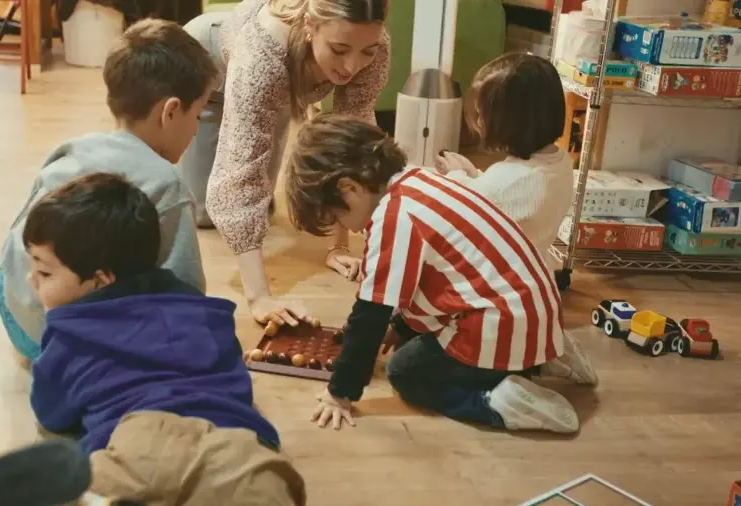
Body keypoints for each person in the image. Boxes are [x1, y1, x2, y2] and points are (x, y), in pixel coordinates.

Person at [283, 114, 598, 433]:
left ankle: (500, 402)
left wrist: (340, 393)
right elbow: (438, 281)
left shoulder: (394, 217)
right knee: (422, 341)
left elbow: (369, 316)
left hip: (502, 324)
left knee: (406, 371)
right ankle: (543, 357)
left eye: (338, 216)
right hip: (536, 311)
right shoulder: (422, 180)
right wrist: (401, 327)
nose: (348, 229)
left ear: (349, 188)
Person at [25, 173, 306, 505]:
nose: (31, 281)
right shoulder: (202, 310)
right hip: (239, 445)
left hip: (140, 443)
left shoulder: (71, 330)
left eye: (44, 272)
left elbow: (51, 412)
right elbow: (235, 379)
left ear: (101, 280)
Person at [0, 18, 215, 361]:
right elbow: (185, 292)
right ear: (170, 112)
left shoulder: (72, 148)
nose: (195, 130)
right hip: (64, 339)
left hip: (15, 309)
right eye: (198, 116)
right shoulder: (166, 185)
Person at [180, 0, 391, 328]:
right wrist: (259, 298)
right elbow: (240, 175)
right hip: (206, 63)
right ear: (310, 26)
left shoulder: (371, 44)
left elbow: (350, 144)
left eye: (366, 51)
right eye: (339, 49)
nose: (352, 66)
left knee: (260, 206)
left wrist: (339, 246)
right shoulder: (262, 59)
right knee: (207, 212)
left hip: (275, 86)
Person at [433, 53, 571, 272]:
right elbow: (509, 199)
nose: (479, 122)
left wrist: (456, 176)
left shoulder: (504, 184)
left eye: (483, 115)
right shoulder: (560, 161)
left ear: (511, 121)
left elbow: (470, 207)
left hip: (499, 280)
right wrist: (473, 174)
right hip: (534, 269)